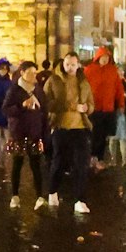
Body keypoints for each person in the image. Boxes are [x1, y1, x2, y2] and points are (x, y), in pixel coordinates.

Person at [44, 52, 94, 213]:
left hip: (80, 127)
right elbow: (47, 102)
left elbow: (91, 102)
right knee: (59, 162)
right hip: (61, 126)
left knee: (81, 164)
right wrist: (70, 106)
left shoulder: (84, 81)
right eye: (67, 64)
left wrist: (88, 108)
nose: (70, 67)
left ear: (78, 64)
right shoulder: (54, 80)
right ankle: (52, 192)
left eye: (73, 64)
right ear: (63, 64)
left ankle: (80, 199)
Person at [4, 60, 50, 209]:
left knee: (36, 164)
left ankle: (40, 197)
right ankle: (15, 196)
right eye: (30, 73)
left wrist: (44, 130)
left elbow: (44, 110)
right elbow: (5, 110)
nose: (33, 76)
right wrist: (21, 106)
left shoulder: (38, 90)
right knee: (17, 164)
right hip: (19, 132)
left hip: (35, 132)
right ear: (22, 73)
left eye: (34, 73)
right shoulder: (14, 90)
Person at [84, 49, 125, 168]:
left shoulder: (112, 70)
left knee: (103, 135)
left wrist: (121, 104)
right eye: (103, 56)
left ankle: (100, 158)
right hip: (93, 108)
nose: (105, 59)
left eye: (107, 56)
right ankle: (92, 157)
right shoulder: (89, 70)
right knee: (93, 134)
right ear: (98, 57)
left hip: (108, 108)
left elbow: (118, 88)